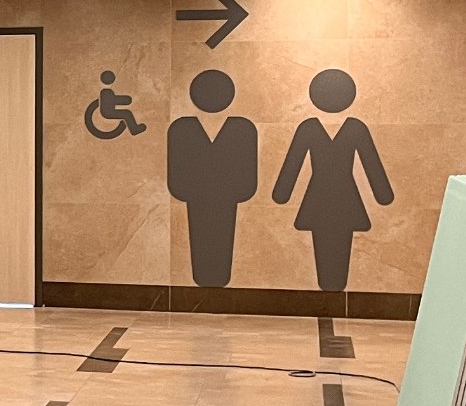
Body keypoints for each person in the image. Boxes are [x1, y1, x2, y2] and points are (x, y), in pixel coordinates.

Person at [272, 69, 394, 291]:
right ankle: (332, 285)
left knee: (331, 244)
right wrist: (383, 195)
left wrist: (282, 194)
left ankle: (332, 285)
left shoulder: (310, 128)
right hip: (345, 197)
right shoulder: (354, 128)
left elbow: (292, 167)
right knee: (334, 244)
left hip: (319, 197)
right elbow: (372, 166)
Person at [166, 70, 258, 287]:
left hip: (223, 198)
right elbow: (176, 176)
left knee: (222, 239)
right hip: (199, 198)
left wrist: (237, 191)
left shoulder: (242, 127)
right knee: (201, 239)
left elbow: (248, 175)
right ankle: (207, 278)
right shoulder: (182, 127)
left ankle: (216, 278)